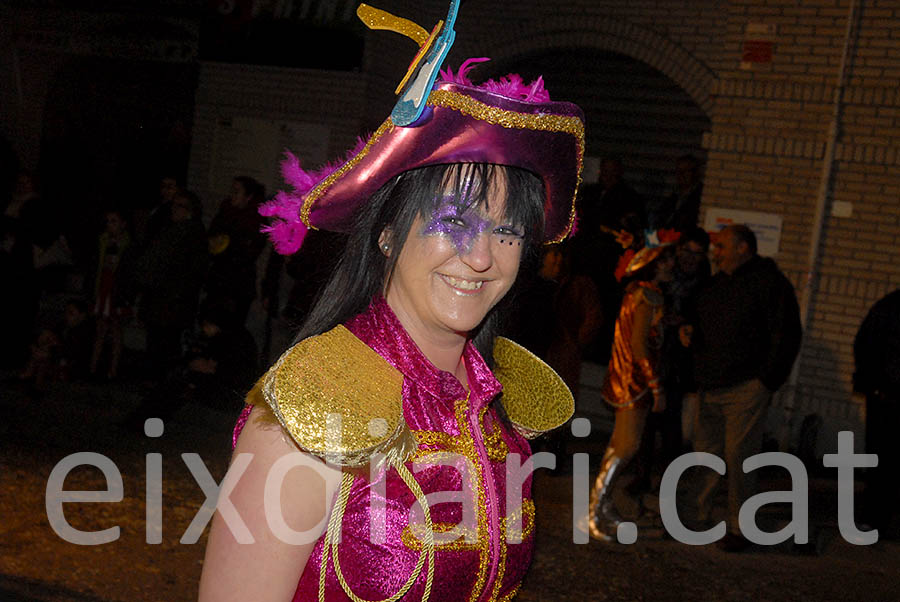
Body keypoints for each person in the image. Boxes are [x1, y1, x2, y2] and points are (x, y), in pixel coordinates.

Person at [198, 10, 584, 600]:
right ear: (386, 233)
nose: (481, 257)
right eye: (453, 221)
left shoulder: (498, 407)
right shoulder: (314, 407)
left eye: (507, 231)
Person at [682, 224, 801, 551]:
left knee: (739, 456)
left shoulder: (769, 284)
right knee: (706, 452)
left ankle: (740, 526)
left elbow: (786, 334)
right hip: (711, 383)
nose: (715, 252)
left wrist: (766, 380)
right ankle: (696, 515)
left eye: (721, 246)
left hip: (745, 387)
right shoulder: (717, 284)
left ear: (743, 248)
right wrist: (689, 332)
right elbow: (698, 318)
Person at [588, 237, 675, 541]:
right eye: (663, 261)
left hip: (625, 379)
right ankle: (595, 512)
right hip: (634, 383)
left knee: (619, 446)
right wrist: (656, 387)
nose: (670, 265)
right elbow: (640, 346)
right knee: (627, 447)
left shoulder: (636, 294)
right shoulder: (649, 297)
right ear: (650, 266)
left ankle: (603, 506)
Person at [853, 288, 900, 538]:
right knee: (882, 459)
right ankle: (874, 516)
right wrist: (875, 385)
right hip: (886, 396)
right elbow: (866, 344)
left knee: (882, 459)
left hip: (885, 394)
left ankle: (875, 516)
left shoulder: (889, 306)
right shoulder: (890, 308)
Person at [205, 176, 266, 326]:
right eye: (231, 190)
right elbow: (211, 239)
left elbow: (248, 253)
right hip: (218, 280)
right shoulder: (225, 212)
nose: (232, 195)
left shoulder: (255, 221)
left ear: (249, 196)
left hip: (238, 285)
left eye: (236, 191)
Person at [90, 209, 133, 380]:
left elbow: (128, 272)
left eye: (114, 221)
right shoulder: (102, 241)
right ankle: (92, 367)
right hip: (103, 288)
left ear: (123, 224)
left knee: (115, 330)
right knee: (100, 329)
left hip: (116, 291)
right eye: (108, 221)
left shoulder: (128, 245)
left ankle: (113, 370)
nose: (110, 225)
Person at [650, 155, 703, 231]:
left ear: (695, 173)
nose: (681, 174)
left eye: (686, 170)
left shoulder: (699, 197)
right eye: (678, 170)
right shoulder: (674, 196)